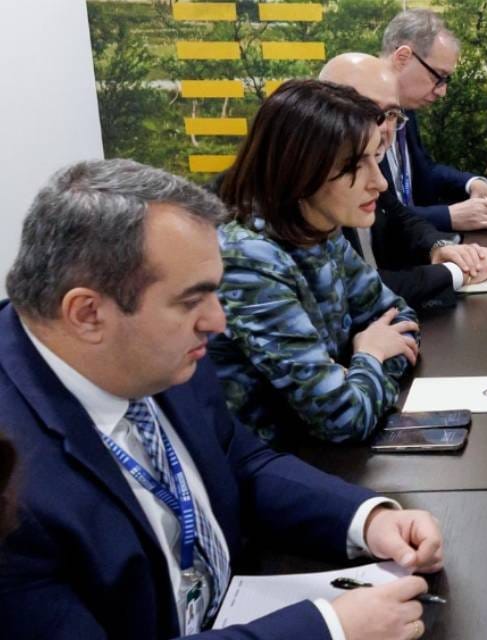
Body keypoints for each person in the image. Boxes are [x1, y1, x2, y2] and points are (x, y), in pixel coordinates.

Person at [0, 158, 446, 638]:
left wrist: (365, 519)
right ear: (88, 313)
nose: (217, 322)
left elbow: (238, 461)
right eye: (191, 301)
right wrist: (326, 630)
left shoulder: (153, 355)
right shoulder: (10, 477)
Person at [211, 79, 420, 446]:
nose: (380, 183)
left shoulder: (317, 228)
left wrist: (354, 375)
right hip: (276, 466)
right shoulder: (247, 260)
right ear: (299, 169)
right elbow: (344, 419)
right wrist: (369, 354)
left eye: (376, 158)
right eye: (355, 165)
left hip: (322, 457)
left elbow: (400, 322)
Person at [319, 52, 487, 309]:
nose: (384, 129)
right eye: (370, 112)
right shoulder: (303, 199)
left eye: (392, 114)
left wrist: (439, 247)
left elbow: (397, 214)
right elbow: (355, 291)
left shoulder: (370, 161)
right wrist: (458, 272)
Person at [380, 8, 487, 232]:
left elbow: (423, 171)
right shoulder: (356, 116)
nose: (442, 92)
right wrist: (449, 216)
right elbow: (376, 217)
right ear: (403, 58)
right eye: (438, 77)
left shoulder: (405, 107)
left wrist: (473, 184)